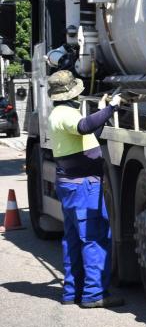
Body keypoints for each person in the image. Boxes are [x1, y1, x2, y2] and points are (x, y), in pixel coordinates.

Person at [47, 69, 124, 308]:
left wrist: (102, 111)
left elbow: (89, 133)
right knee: (94, 237)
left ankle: (72, 292)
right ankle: (93, 294)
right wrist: (111, 109)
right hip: (83, 186)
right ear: (72, 92)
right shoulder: (64, 113)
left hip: (73, 184)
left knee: (73, 238)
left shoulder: (59, 113)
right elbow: (83, 126)